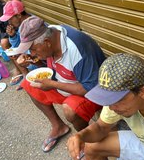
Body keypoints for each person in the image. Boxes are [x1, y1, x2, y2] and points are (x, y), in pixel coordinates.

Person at [14, 16, 106, 152]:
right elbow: (49, 64)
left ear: (46, 42)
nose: (31, 52)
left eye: (33, 49)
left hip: (91, 93)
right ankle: (59, 127)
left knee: (70, 109)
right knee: (28, 83)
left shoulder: (76, 47)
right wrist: (34, 60)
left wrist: (52, 84)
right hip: (63, 84)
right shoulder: (51, 34)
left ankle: (87, 141)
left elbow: (89, 88)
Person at [0, 0, 39, 87]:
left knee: (17, 56)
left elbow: (37, 52)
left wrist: (23, 56)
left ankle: (29, 77)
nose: (9, 23)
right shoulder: (22, 25)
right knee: (14, 54)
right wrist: (13, 36)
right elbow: (20, 44)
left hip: (42, 61)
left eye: (10, 19)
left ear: (19, 15)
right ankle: (26, 76)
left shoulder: (32, 26)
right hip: (35, 59)